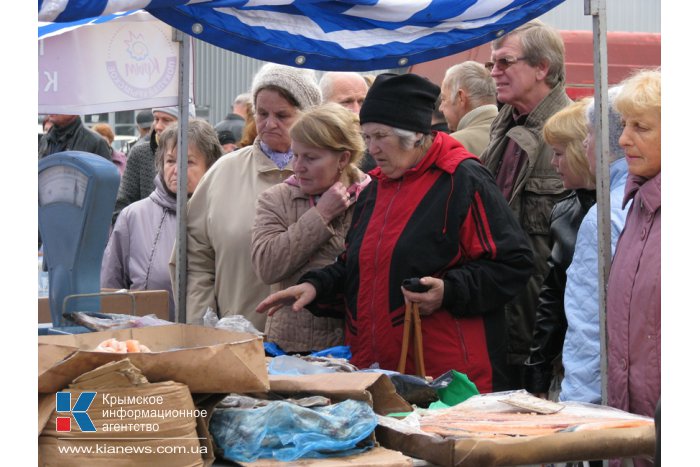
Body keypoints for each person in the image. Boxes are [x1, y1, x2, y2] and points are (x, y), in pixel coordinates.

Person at [256, 73, 533, 392]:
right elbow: (356, 265)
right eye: (367, 136)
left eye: (380, 136)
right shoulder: (375, 188)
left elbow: (514, 263)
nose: (371, 148)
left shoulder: (462, 179)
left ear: (415, 135)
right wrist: (316, 287)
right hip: (380, 372)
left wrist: (449, 290)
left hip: (450, 378)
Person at [178, 63, 322, 331]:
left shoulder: (331, 177)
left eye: (282, 115)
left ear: (310, 116)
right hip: (233, 339)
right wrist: (203, 324)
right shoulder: (223, 172)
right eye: (262, 113)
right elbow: (194, 259)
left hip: (315, 345)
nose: (269, 124)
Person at [479, 20, 571, 388]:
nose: (495, 73)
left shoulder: (575, 134)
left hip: (541, 331)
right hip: (499, 318)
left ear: (541, 68)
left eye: (504, 62)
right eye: (492, 65)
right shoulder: (502, 127)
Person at [251, 103, 371, 353]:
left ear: (343, 158)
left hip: (355, 344)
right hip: (289, 348)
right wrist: (320, 215)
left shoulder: (372, 196)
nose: (298, 166)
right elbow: (267, 266)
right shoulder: (276, 199)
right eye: (295, 155)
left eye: (311, 157)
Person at [101, 120, 222, 320]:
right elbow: (110, 288)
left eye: (189, 162)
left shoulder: (221, 214)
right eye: (170, 161)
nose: (177, 170)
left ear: (210, 166)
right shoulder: (133, 217)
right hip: (145, 343)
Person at [523, 98, 596, 399]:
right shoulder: (564, 211)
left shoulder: (626, 206)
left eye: (559, 154)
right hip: (572, 363)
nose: (553, 163)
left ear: (582, 152)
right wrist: (537, 369)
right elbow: (553, 296)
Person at [560, 87, 629, 405]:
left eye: (589, 132)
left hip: (617, 401)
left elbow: (589, 324)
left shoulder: (604, 216)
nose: (585, 142)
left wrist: (577, 408)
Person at [606, 69, 661, 424]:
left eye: (640, 128)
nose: (623, 139)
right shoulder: (639, 206)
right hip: (631, 427)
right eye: (624, 125)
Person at [113, 105, 193, 223]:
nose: (158, 126)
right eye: (156, 119)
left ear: (187, 123)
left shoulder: (201, 156)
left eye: (167, 120)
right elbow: (121, 207)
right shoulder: (140, 153)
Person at [319, 71, 376, 172]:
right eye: (346, 102)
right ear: (323, 104)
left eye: (362, 102)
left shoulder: (377, 150)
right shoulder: (307, 145)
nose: (357, 111)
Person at [439, 61, 498, 155]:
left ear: (460, 97)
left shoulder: (452, 144)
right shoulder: (515, 135)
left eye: (443, 99)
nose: (440, 108)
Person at [38, 114, 112, 160]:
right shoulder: (45, 139)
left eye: (59, 102)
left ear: (74, 108)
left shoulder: (96, 142)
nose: (53, 107)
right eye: (51, 101)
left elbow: (107, 181)